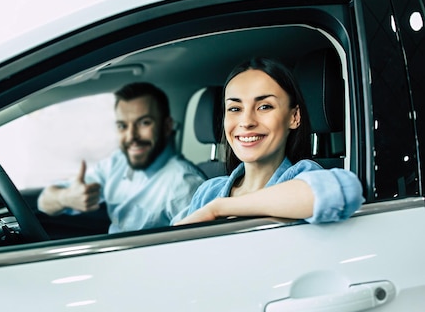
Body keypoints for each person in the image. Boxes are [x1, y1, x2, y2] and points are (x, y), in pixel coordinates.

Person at [175, 57, 363, 226]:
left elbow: (342, 191)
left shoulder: (304, 176)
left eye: (264, 106)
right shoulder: (209, 191)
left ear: (294, 117)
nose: (247, 122)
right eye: (234, 108)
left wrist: (221, 208)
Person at [37, 82, 206, 233]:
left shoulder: (184, 184)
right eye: (122, 126)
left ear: (167, 126)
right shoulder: (117, 163)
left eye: (144, 123)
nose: (131, 136)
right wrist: (66, 198)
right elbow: (44, 203)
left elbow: (190, 253)